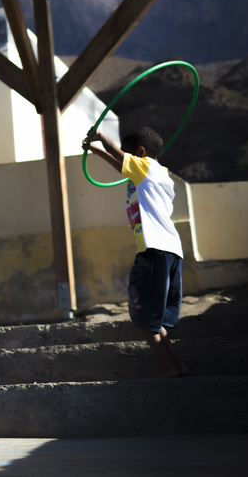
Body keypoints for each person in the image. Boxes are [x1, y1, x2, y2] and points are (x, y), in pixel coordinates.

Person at [83, 126, 189, 379]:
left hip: (153, 250)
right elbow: (120, 165)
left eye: (127, 152)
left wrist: (101, 139)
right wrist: (96, 151)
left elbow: (120, 158)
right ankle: (176, 365)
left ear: (140, 153)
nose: (123, 157)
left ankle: (165, 367)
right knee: (156, 319)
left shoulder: (147, 168)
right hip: (171, 250)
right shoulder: (156, 174)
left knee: (143, 315)